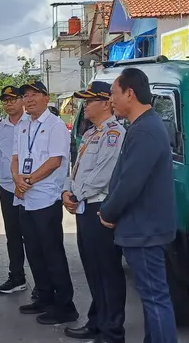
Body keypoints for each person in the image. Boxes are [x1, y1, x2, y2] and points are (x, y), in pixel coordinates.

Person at [100, 68, 177, 343]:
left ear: (129, 93)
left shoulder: (145, 131)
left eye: (113, 94)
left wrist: (108, 212)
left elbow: (130, 182)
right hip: (142, 226)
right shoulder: (142, 126)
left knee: (156, 299)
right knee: (152, 298)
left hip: (144, 229)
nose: (111, 100)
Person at [61, 82, 127, 343]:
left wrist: (77, 195)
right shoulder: (90, 134)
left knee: (107, 271)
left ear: (105, 103)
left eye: (89, 101)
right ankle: (97, 321)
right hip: (84, 207)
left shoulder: (114, 134)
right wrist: (67, 191)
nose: (84, 106)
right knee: (92, 269)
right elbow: (75, 169)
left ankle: (112, 331)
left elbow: (104, 175)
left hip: (100, 208)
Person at [12, 80, 78, 325]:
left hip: (46, 199)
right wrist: (17, 179)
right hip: (25, 199)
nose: (28, 99)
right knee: (34, 253)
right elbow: (16, 157)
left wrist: (27, 180)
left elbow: (54, 162)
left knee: (52, 254)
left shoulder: (55, 126)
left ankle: (65, 305)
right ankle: (44, 296)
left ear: (45, 97)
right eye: (25, 96)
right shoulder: (23, 126)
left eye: (33, 95)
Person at [0, 86, 29, 295]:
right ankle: (16, 275)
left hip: (29, 186)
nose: (9, 103)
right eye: (5, 100)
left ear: (22, 101)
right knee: (12, 233)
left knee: (32, 234)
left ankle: (43, 283)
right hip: (6, 185)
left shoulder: (30, 123)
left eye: (13, 99)